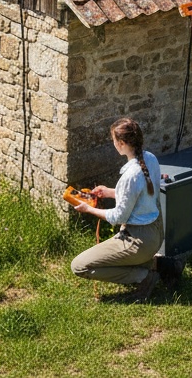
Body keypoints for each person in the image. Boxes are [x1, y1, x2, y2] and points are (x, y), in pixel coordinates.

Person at [70, 116, 164, 301]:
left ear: (121, 143)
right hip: (156, 233)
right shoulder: (150, 158)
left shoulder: (131, 175)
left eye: (113, 140)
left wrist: (88, 209)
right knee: (119, 257)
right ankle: (163, 265)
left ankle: (144, 278)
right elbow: (141, 194)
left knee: (79, 266)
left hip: (139, 240)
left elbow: (118, 216)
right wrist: (109, 192)